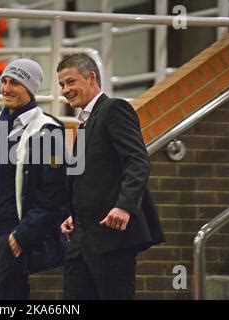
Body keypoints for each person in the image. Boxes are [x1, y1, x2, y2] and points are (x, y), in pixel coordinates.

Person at [58, 53, 165, 300]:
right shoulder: (83, 123)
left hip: (111, 236)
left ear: (92, 77)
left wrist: (124, 207)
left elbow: (137, 160)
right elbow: (81, 176)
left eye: (71, 82)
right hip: (82, 238)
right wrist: (70, 214)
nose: (65, 90)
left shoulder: (114, 108)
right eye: (62, 85)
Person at [0, 58, 67, 299]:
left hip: (13, 235)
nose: (6, 88)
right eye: (4, 81)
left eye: (15, 82)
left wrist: (21, 236)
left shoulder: (47, 129)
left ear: (30, 88)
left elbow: (54, 195)